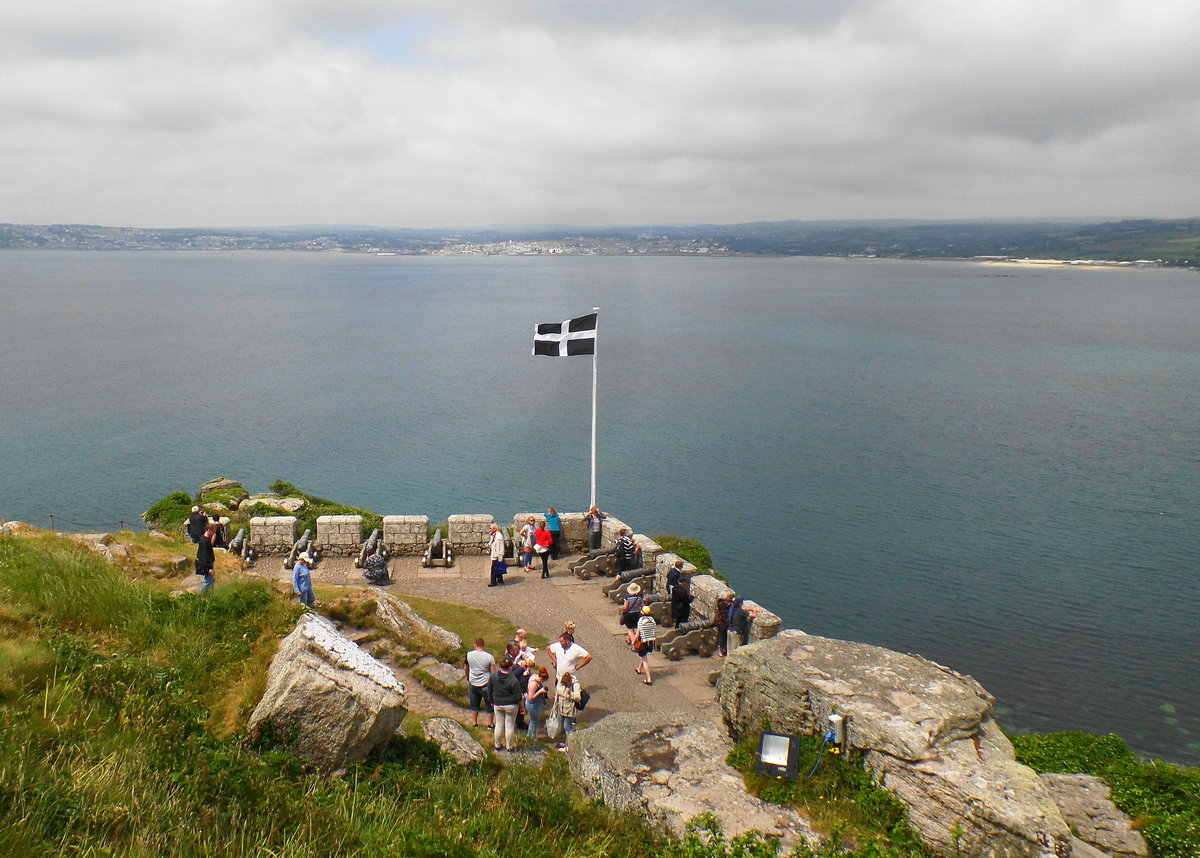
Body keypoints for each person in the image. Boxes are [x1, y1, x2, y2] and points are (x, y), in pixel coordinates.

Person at [489, 657, 524, 752]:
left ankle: (497, 745)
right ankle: (509, 746)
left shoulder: (493, 676)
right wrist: (521, 707)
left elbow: (489, 690)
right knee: (509, 725)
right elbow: (518, 696)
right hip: (511, 705)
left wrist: (492, 701)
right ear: (510, 668)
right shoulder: (513, 680)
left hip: (498, 703)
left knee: (499, 724)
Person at [464, 638, 496, 728]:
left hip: (473, 682)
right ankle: (490, 723)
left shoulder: (469, 655)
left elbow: (466, 667)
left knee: (474, 703)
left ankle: (474, 723)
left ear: (475, 645)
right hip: (485, 683)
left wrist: (468, 677)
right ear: (483, 645)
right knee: (489, 703)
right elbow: (493, 672)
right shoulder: (489, 657)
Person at [553, 672, 583, 752]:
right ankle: (568, 743)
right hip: (562, 709)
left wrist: (569, 694)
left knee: (568, 727)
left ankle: (571, 745)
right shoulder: (561, 683)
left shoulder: (575, 685)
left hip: (570, 710)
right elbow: (558, 690)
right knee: (564, 726)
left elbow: (578, 697)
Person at [634, 605, 657, 685]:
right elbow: (654, 632)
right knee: (644, 656)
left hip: (643, 642)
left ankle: (648, 678)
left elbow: (637, 634)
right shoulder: (652, 620)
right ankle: (639, 669)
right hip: (651, 642)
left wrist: (633, 642)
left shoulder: (640, 621)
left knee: (645, 660)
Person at [526, 667, 550, 740]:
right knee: (534, 722)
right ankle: (532, 737)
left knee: (533, 721)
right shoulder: (534, 684)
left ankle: (530, 735)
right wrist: (540, 691)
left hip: (535, 703)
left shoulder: (533, 676)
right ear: (541, 678)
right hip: (532, 704)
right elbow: (530, 697)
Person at [195, 523, 217, 592]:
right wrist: (209, 568)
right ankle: (199, 595)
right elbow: (205, 555)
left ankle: (211, 595)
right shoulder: (205, 541)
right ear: (209, 530)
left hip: (206, 563)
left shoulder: (203, 538)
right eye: (213, 531)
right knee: (208, 582)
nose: (214, 533)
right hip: (206, 564)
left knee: (211, 581)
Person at [714, 591, 734, 657]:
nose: (731, 598)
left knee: (723, 636)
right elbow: (728, 606)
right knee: (722, 636)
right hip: (722, 623)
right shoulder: (722, 603)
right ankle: (720, 650)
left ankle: (722, 649)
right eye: (730, 597)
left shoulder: (723, 602)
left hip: (722, 622)